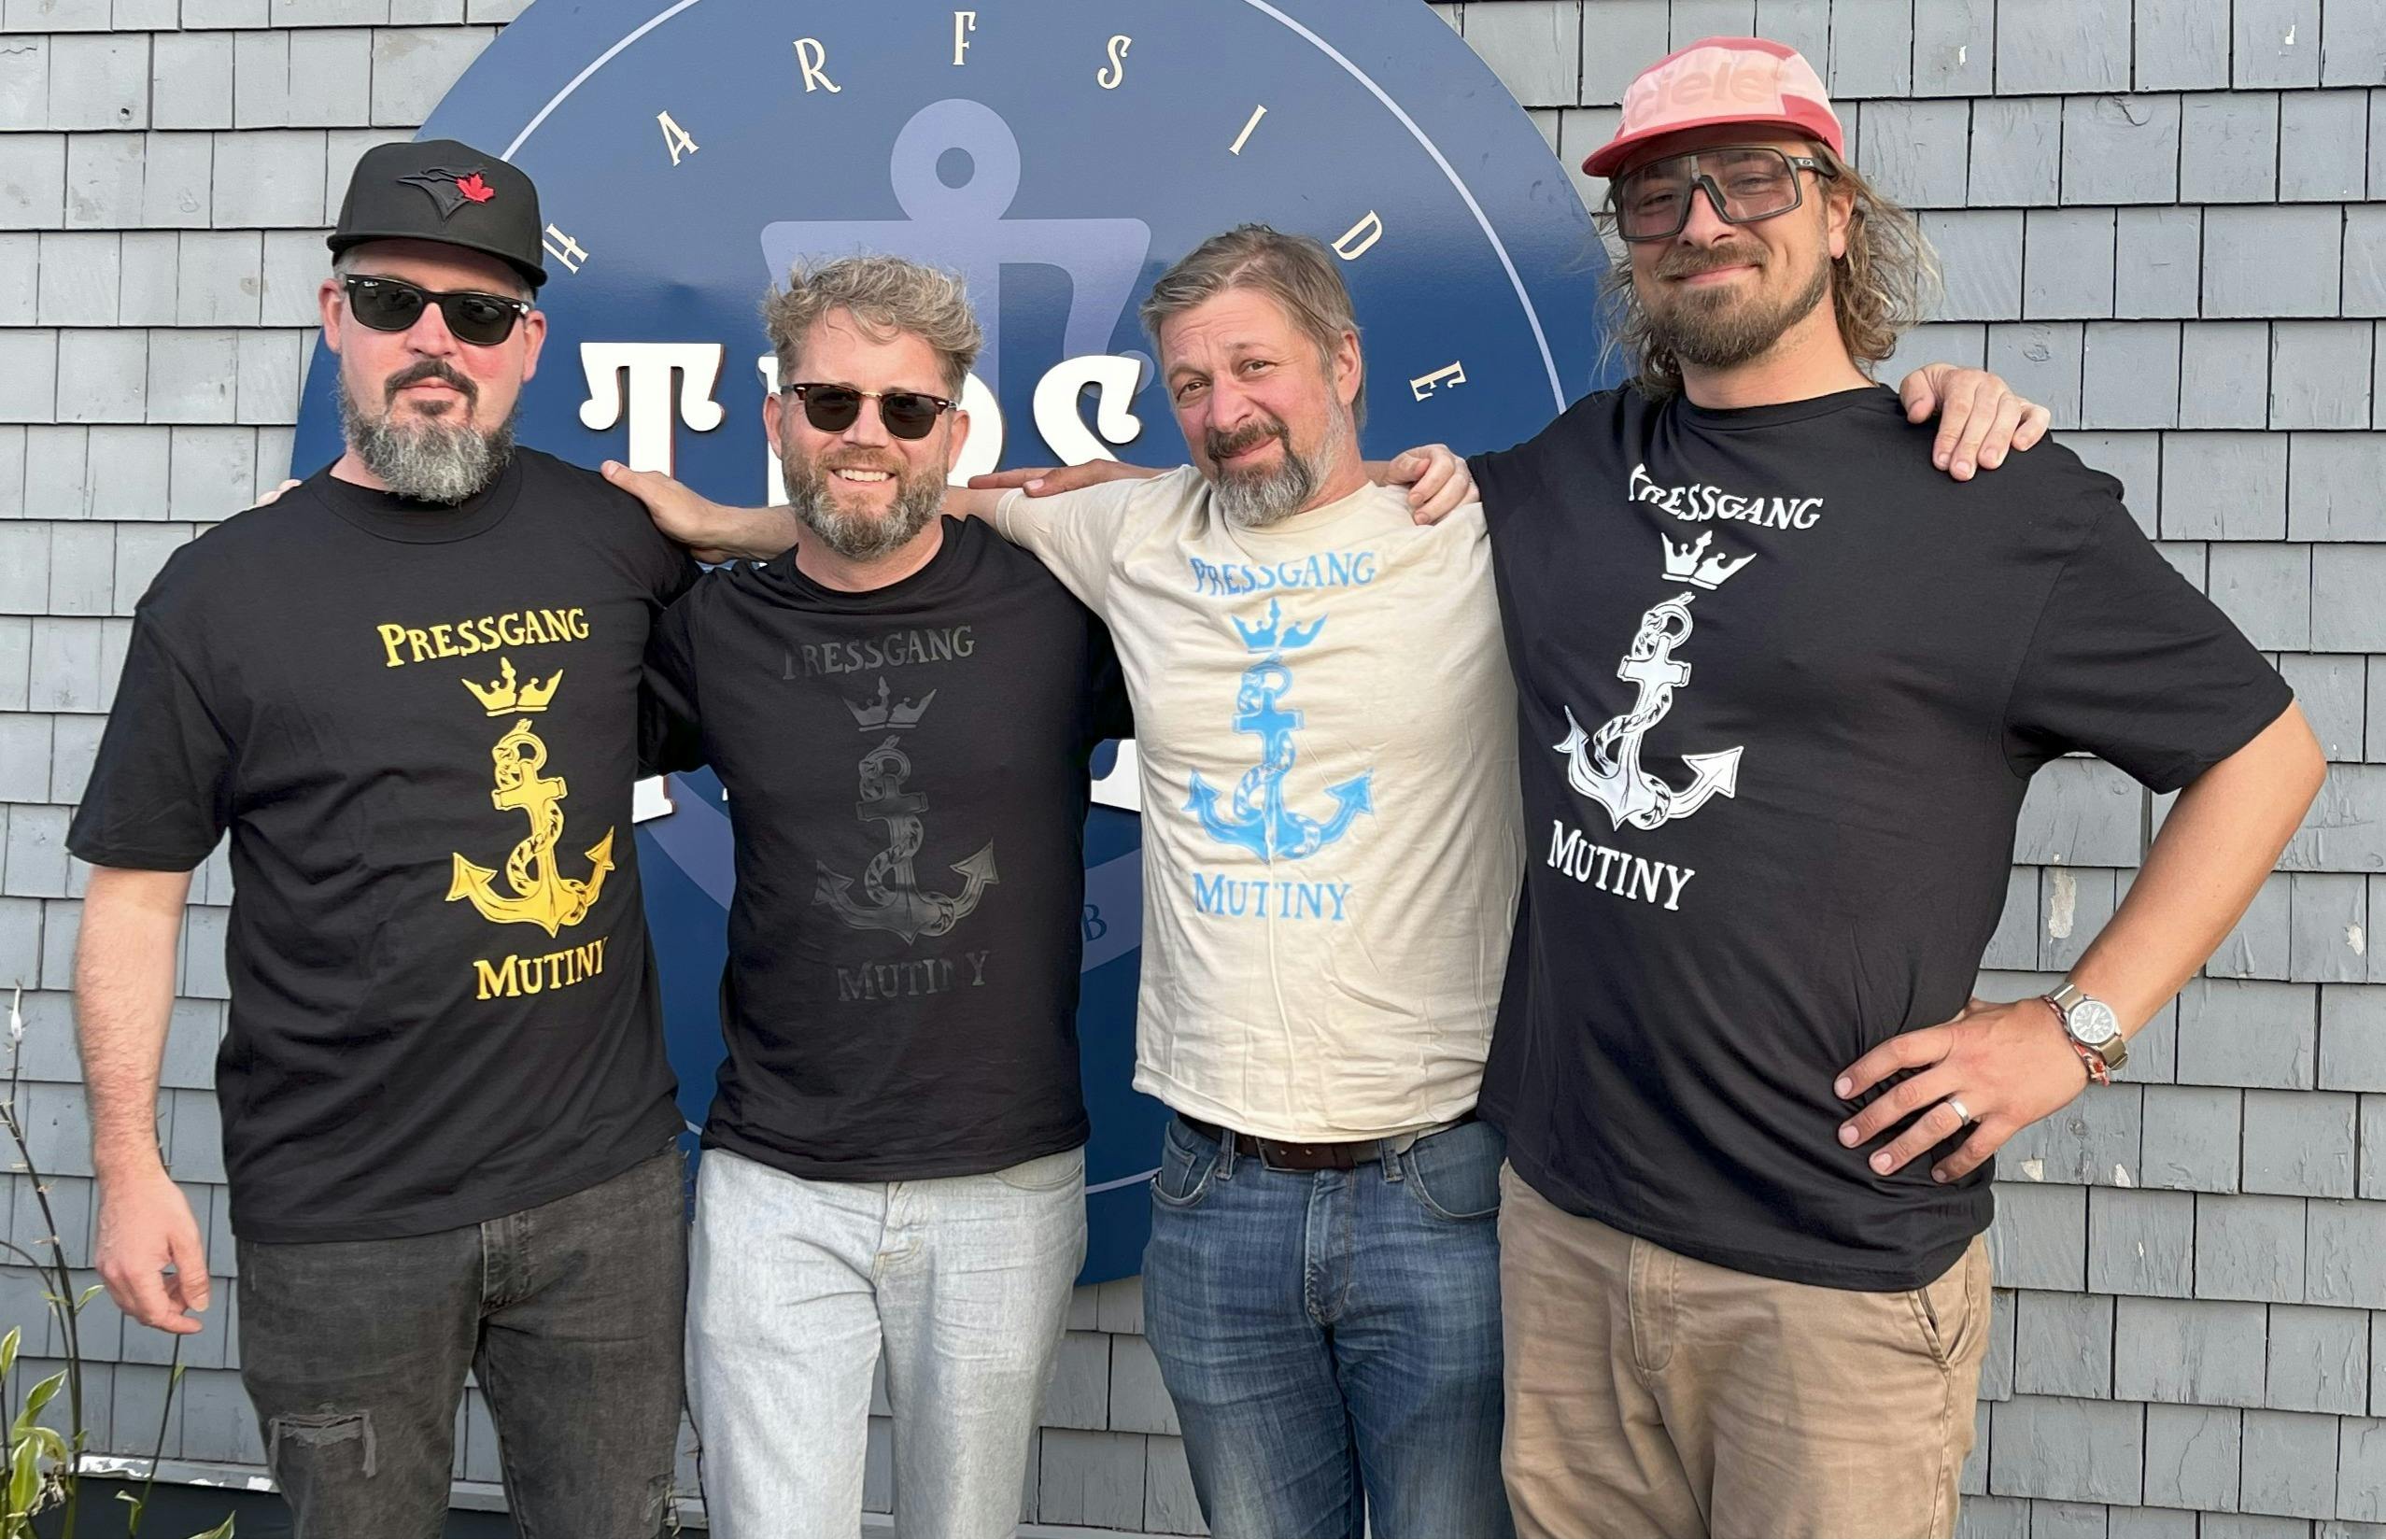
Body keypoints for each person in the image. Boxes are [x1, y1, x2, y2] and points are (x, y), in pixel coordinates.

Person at [614, 220, 2045, 1540]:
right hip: (1209, 1191)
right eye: (1191, 383)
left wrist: (1918, 410)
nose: (1226, 408)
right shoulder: (1131, 530)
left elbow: (1750, 465)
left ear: (1344, 363)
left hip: (1440, 1187)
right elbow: (909, 507)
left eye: (1257, 367)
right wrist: (729, 526)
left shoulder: (1484, 525)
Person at [1465, 37, 2328, 1538]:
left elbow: (2267, 754)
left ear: (1839, 212)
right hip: (1565, 1232)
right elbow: (1325, 502)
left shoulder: (1986, 497)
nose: (1702, 222)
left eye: (1750, 179)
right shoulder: (1567, 465)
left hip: (1831, 1277)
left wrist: (2075, 1029)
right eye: (1657, 196)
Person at [70, 140, 692, 1536]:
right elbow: (136, 894)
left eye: (478, 312)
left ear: (528, 344)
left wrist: (740, 522)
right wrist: (128, 1165)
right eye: (393, 300)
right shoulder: (221, 592)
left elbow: (810, 642)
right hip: (342, 1218)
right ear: (332, 316)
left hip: (603, 1195)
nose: (434, 342)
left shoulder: (617, 540)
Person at [641, 255, 1132, 1538]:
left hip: (1004, 1178)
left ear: (953, 434)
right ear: (778, 417)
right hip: (775, 1182)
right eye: (832, 401)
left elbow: (1245, 525)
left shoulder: (1060, 607)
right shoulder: (711, 633)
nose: (868, 432)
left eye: (906, 408)